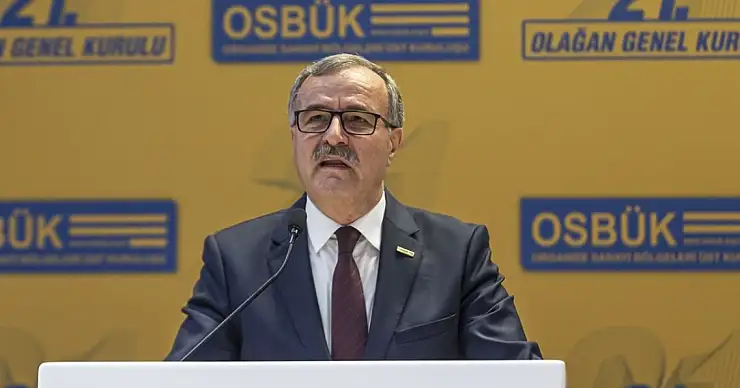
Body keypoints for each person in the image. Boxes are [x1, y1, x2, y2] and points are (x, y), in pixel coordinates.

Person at [165, 53, 542, 361]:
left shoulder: (457, 255)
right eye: (315, 119)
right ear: (294, 137)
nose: (333, 136)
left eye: (357, 120)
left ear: (393, 142)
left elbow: (516, 383)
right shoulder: (236, 261)